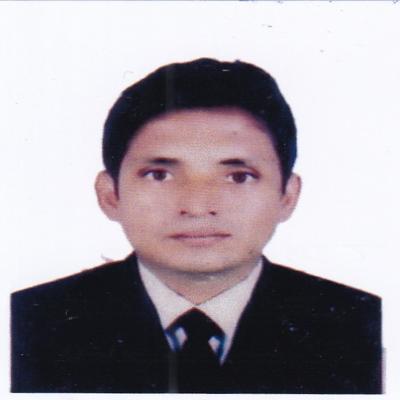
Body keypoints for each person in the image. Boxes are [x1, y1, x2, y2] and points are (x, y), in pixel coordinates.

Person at [11, 58, 382, 393]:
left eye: (238, 176)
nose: (198, 207)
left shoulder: (365, 326)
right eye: (159, 175)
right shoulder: (25, 324)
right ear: (110, 195)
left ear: (287, 195)